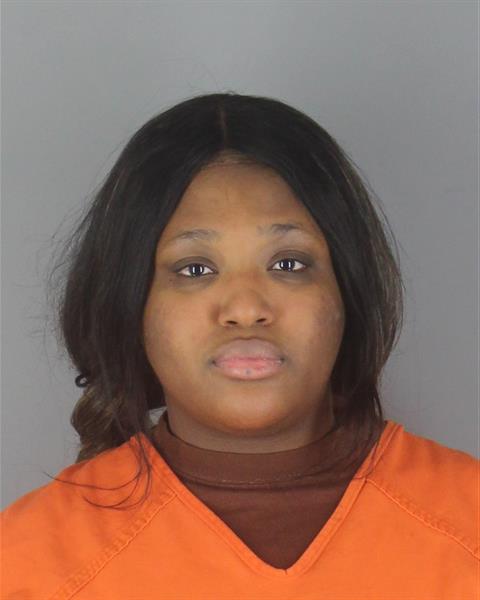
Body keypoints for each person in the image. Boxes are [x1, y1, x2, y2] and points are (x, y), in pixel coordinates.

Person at [2, 92, 477, 599]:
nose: (246, 308)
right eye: (195, 269)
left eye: (288, 264)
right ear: (131, 302)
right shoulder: (26, 563)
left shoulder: (465, 521)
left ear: (347, 292)